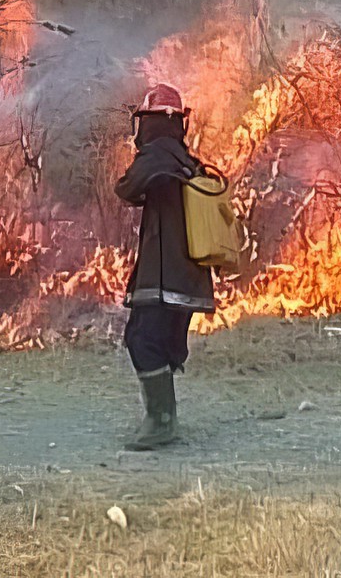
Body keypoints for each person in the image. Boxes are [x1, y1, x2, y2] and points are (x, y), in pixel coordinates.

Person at [113, 83, 214, 450]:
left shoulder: (157, 155)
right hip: (189, 280)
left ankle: (161, 421)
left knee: (141, 339)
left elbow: (127, 188)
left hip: (164, 277)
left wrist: (143, 161)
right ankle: (164, 417)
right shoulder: (186, 160)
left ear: (150, 123)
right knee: (163, 343)